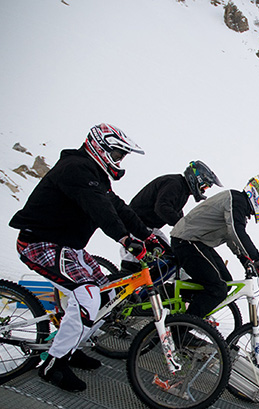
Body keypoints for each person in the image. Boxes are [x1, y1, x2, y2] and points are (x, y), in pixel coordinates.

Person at [9, 124, 164, 392]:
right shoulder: (76, 168)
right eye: (117, 154)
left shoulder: (96, 176)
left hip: (67, 247)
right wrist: (125, 239)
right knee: (89, 296)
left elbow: (118, 208)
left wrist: (148, 236)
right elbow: (100, 208)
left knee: (105, 296)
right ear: (100, 148)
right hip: (40, 242)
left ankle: (69, 348)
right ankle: (52, 365)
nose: (118, 161)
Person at [169, 175, 259, 317]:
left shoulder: (238, 205)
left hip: (196, 242)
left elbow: (232, 237)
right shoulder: (236, 200)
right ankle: (182, 329)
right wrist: (256, 258)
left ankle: (171, 294)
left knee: (225, 282)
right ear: (258, 195)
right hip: (187, 240)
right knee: (218, 288)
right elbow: (237, 232)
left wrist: (245, 261)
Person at [120, 160, 222, 272]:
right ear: (197, 179)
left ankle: (153, 285)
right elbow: (162, 208)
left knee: (171, 256)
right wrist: (183, 225)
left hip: (148, 227)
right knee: (139, 259)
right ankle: (121, 281)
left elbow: (177, 214)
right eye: (204, 186)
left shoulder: (182, 190)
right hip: (137, 224)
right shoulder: (174, 184)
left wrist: (188, 229)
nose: (203, 190)